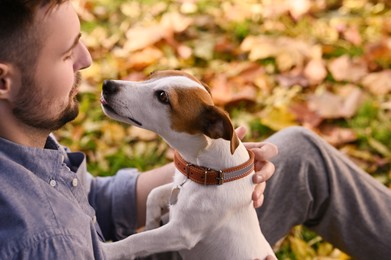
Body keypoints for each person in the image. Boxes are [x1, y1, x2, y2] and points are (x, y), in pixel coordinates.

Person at [0, 1, 390, 260]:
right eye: (67, 54)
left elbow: (89, 197)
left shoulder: (22, 140)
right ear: (4, 82)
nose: (86, 61)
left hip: (151, 229)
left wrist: (218, 175)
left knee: (297, 151)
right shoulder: (43, 243)